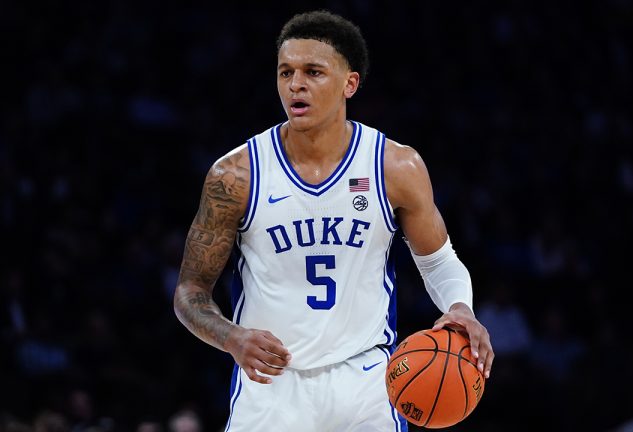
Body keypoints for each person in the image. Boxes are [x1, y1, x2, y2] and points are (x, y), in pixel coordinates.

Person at [173, 10, 494, 432]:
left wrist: (460, 308)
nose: (295, 85)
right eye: (285, 72)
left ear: (350, 83)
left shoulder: (395, 166)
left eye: (313, 72)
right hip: (271, 384)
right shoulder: (236, 175)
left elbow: (437, 261)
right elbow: (190, 291)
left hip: (365, 383)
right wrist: (231, 337)